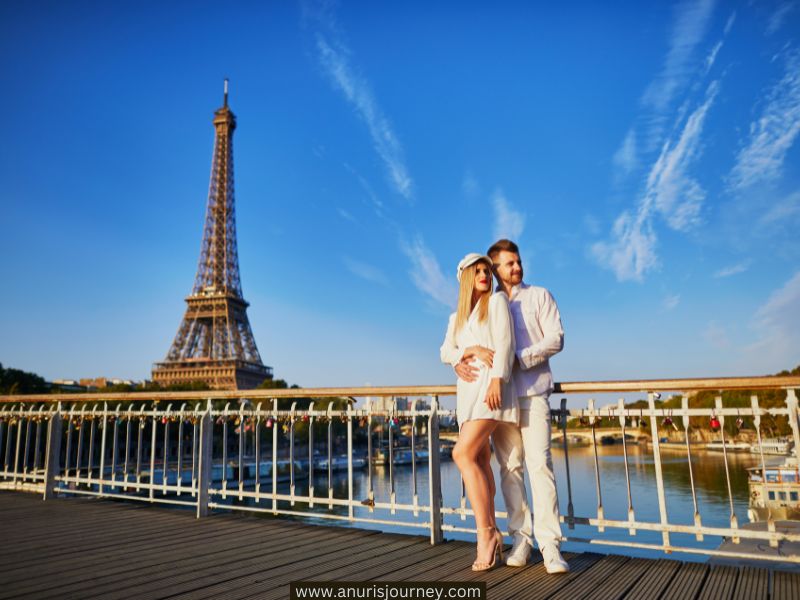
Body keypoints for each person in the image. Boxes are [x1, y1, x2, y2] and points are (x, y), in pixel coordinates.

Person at [454, 239, 569, 574]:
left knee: (539, 466)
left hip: (531, 392)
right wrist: (462, 359)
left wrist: (520, 359)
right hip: (500, 401)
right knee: (510, 469)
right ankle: (521, 538)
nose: (516, 268)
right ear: (494, 268)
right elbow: (463, 342)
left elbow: (556, 338)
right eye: (508, 264)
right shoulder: (485, 305)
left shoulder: (540, 296)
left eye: (518, 262)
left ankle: (550, 545)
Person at [440, 253, 517, 571]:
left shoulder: (497, 302)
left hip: (490, 392)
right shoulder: (456, 319)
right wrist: (466, 352)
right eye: (479, 271)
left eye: (487, 270)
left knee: (461, 454)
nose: (485, 274)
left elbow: (506, 343)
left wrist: (497, 379)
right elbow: (445, 351)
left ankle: (485, 534)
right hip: (467, 397)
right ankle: (494, 531)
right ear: (466, 278)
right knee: (481, 460)